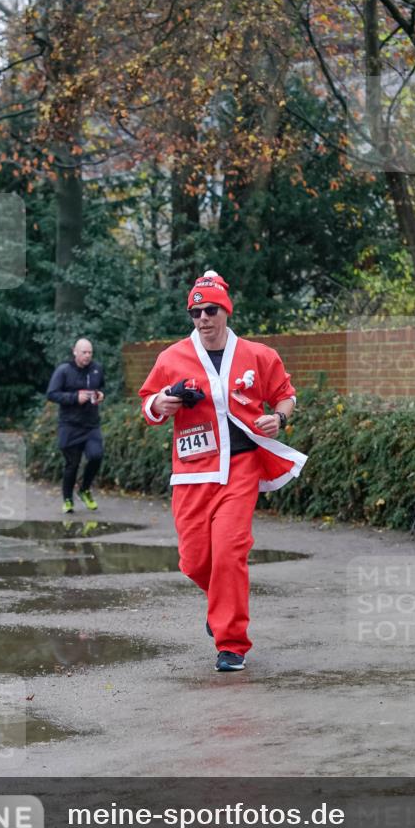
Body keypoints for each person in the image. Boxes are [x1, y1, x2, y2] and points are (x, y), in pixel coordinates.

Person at [139, 271, 307, 673]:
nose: (203, 318)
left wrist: (278, 419)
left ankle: (231, 644)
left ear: (226, 311)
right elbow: (148, 404)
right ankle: (221, 605)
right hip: (192, 474)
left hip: (240, 468)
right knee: (195, 561)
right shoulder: (171, 358)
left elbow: (286, 396)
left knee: (230, 554)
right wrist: (162, 403)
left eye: (211, 310)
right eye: (195, 312)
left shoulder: (258, 355)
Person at [46, 337, 105, 514]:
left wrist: (101, 395)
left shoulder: (96, 369)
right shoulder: (64, 370)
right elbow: (52, 394)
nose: (87, 356)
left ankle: (84, 489)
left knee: (96, 456)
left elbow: (102, 388)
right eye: (84, 352)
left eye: (90, 352)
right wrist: (74, 398)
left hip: (91, 424)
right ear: (75, 352)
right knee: (72, 464)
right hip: (70, 424)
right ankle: (67, 499)